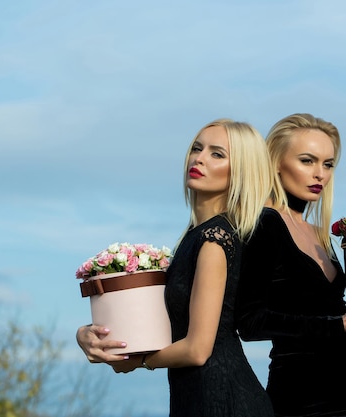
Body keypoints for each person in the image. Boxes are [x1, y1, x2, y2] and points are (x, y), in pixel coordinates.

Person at [76, 119, 275, 417]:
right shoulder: (195, 237)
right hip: (198, 396)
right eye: (197, 148)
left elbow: (197, 349)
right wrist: (89, 334)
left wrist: (139, 361)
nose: (200, 158)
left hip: (222, 399)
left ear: (242, 172)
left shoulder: (214, 240)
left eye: (217, 154)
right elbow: (160, 325)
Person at [236, 113, 346, 417]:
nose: (320, 174)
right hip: (302, 395)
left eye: (328, 164)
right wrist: (343, 323)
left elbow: (327, 316)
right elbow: (250, 323)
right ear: (275, 162)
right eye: (307, 161)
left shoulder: (317, 232)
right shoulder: (263, 225)